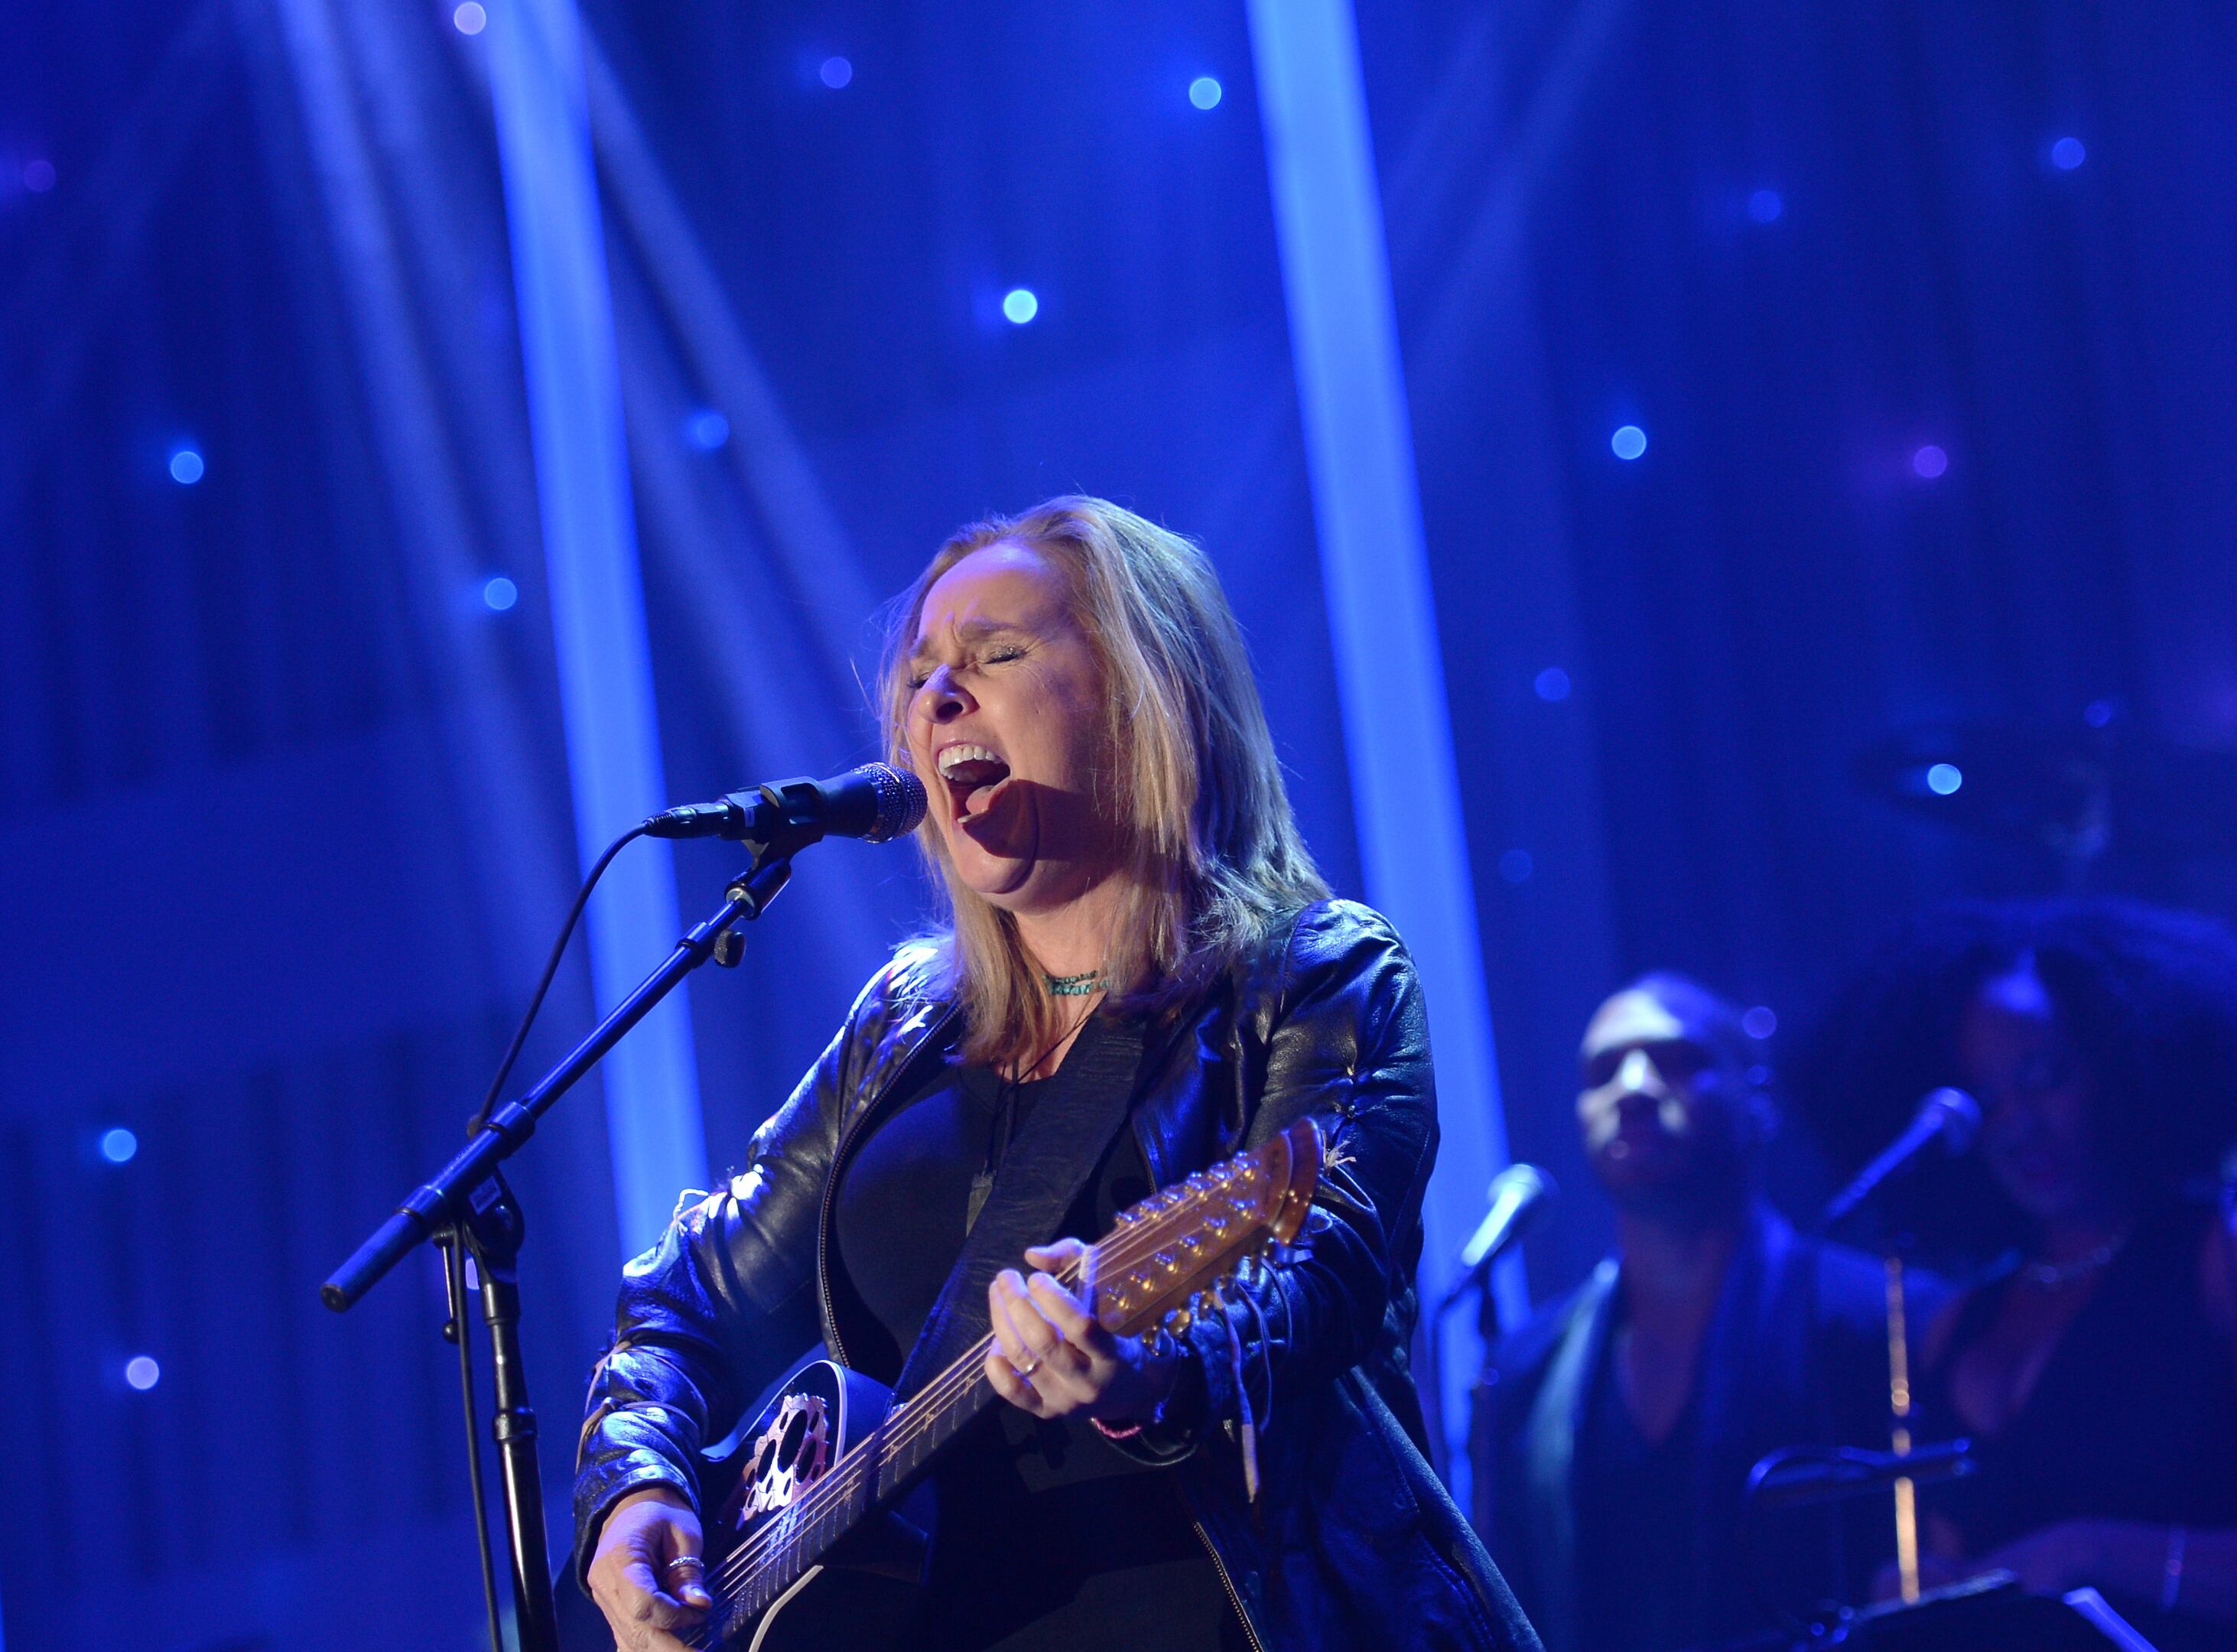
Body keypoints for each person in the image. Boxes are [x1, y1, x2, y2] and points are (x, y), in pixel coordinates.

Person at [565, 498, 1536, 1652]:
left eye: (1000, 655)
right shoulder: (899, 1029)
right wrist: (634, 1493)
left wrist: (1149, 1375)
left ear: (1144, 700)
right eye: (921, 675)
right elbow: (684, 1304)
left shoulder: (1311, 979)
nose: (937, 698)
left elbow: (1316, 1279)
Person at [1801, 899, 2237, 1651]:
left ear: (2124, 1062)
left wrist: (2093, 1552)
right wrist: (1928, 1590)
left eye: (2043, 1078)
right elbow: (1958, 1564)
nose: (2019, 1126)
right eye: (1986, 1101)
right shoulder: (1957, 1325)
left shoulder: (2235, 1259)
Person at [1473, 972, 1930, 1652]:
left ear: (1759, 1102)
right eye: (1602, 1072)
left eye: (1678, 1061)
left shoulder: (1883, 1317)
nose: (1632, 1087)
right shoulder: (1527, 1369)